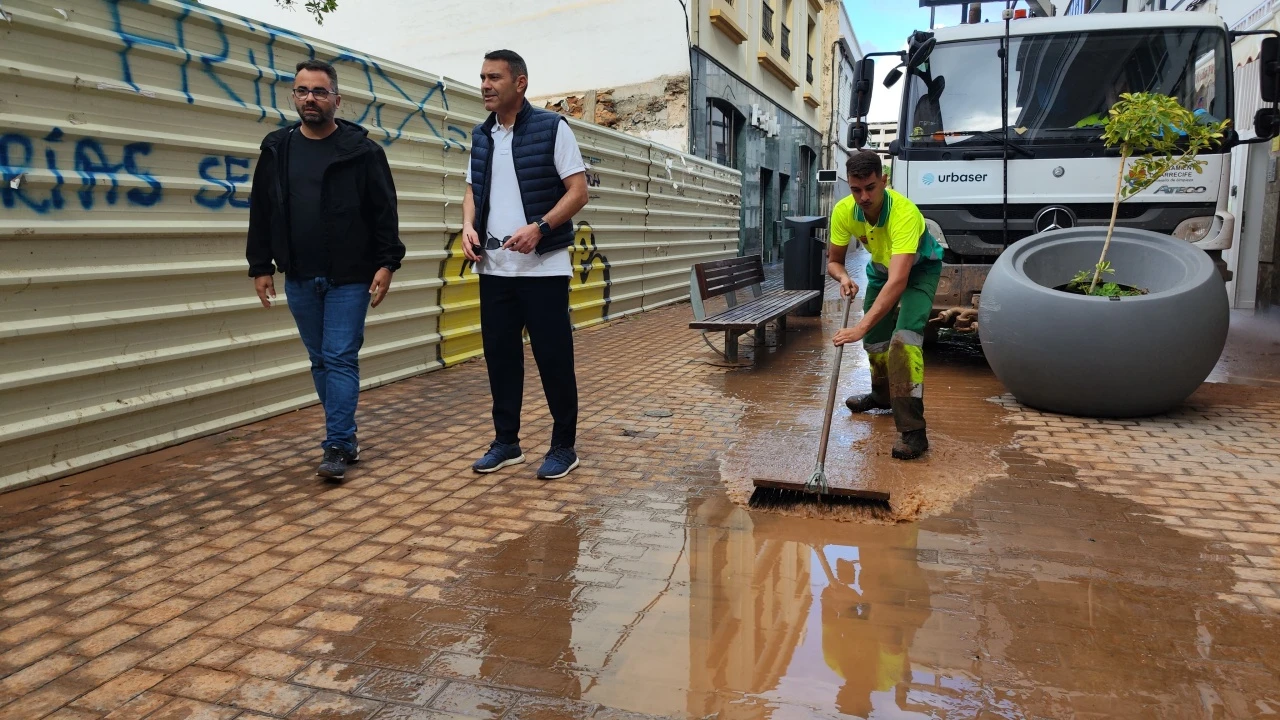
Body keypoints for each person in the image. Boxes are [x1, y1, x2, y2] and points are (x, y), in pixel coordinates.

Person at [246, 59, 404, 481]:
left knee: (339, 357)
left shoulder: (363, 152)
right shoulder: (277, 149)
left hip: (349, 276)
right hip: (299, 275)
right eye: (302, 91)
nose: (310, 99)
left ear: (337, 98)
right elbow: (262, 210)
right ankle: (345, 438)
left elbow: (384, 211)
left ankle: (337, 443)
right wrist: (260, 265)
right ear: (293, 96)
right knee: (320, 360)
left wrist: (388, 262)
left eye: (319, 91)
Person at [460, 49, 590, 480]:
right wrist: (467, 226)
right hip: (493, 268)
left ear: (520, 83)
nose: (485, 85)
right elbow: (472, 191)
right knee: (500, 359)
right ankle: (506, 442)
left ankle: (563, 446)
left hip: (543, 268)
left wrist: (541, 227)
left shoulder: (553, 128)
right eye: (482, 77)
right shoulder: (482, 135)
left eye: (494, 77)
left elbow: (578, 192)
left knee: (553, 359)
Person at [827, 150, 942, 460]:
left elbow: (899, 281)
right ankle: (882, 396)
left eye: (870, 188)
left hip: (918, 270)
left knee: (904, 342)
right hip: (881, 271)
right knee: (876, 339)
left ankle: (913, 432)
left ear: (884, 181)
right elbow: (834, 261)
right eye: (856, 190)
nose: (863, 197)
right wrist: (843, 277)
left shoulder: (903, 213)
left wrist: (858, 327)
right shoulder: (844, 211)